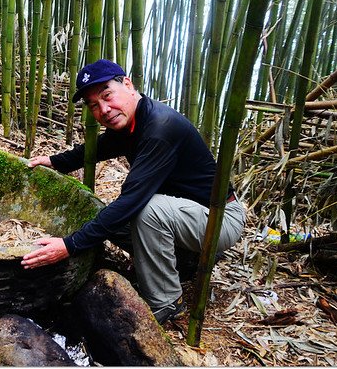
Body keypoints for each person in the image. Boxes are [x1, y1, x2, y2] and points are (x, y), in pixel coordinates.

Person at [21, 59, 246, 324]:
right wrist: (55, 161)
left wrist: (68, 246)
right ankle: (185, 262)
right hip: (188, 216)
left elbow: (131, 201)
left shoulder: (160, 128)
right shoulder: (129, 122)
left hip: (219, 220)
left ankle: (167, 302)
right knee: (107, 220)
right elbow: (95, 150)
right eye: (94, 105)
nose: (104, 109)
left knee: (146, 211)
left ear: (127, 84)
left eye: (107, 96)